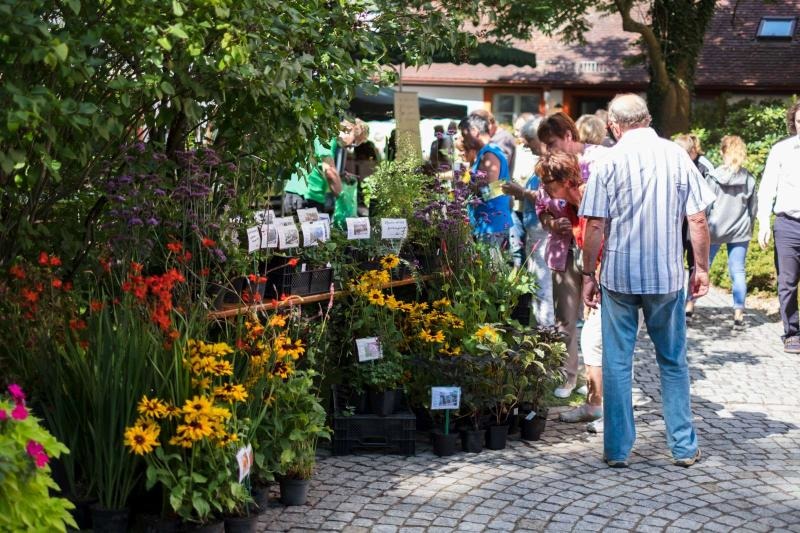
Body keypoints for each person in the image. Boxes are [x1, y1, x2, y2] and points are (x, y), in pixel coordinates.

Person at [580, 93, 715, 468]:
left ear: (613, 125)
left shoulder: (608, 161)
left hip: (619, 276)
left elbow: (594, 224)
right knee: (672, 361)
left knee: (618, 363)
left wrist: (588, 272)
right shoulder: (676, 156)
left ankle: (617, 450)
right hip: (666, 276)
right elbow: (698, 219)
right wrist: (700, 267)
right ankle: (684, 447)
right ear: (649, 118)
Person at [535, 112, 608, 400]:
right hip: (563, 249)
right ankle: (568, 376)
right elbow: (542, 207)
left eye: (551, 143)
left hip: (596, 249)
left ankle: (595, 384)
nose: (548, 150)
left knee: (595, 322)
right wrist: (553, 223)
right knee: (565, 317)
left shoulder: (599, 160)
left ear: (568, 136)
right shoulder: (550, 168)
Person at [502, 116, 555, 327]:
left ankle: (546, 333)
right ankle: (543, 330)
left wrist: (521, 192)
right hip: (536, 229)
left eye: (529, 142)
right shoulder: (542, 163)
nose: (527, 147)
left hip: (544, 232)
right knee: (538, 283)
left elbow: (553, 200)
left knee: (543, 285)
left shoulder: (552, 165)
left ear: (541, 139)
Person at [756, 100, 800, 353]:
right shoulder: (782, 150)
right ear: (793, 123)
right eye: (799, 121)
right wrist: (763, 223)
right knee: (787, 281)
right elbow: (767, 188)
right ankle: (792, 332)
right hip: (788, 224)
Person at [705, 135, 757, 329]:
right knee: (738, 270)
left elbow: (707, 205)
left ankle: (689, 306)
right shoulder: (749, 179)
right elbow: (753, 209)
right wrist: (749, 226)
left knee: (702, 267)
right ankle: (738, 314)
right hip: (740, 230)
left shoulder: (713, 177)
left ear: (722, 152)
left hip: (715, 229)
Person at [674, 133, 715, 318]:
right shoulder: (671, 164)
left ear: (692, 152)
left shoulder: (704, 166)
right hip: (676, 221)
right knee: (674, 259)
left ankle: (690, 300)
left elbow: (710, 196)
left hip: (695, 220)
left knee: (694, 261)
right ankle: (674, 298)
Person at [458, 114, 513, 248]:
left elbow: (490, 190)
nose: (464, 140)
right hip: (487, 222)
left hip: (492, 223)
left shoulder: (489, 154)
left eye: (465, 136)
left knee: (491, 267)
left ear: (475, 132)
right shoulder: (486, 152)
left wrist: (465, 188)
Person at [283, 120, 357, 215]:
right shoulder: (327, 137)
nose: (351, 147)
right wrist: (343, 198)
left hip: (302, 196)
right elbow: (330, 172)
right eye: (354, 141)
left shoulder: (325, 135)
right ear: (347, 130)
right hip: (305, 197)